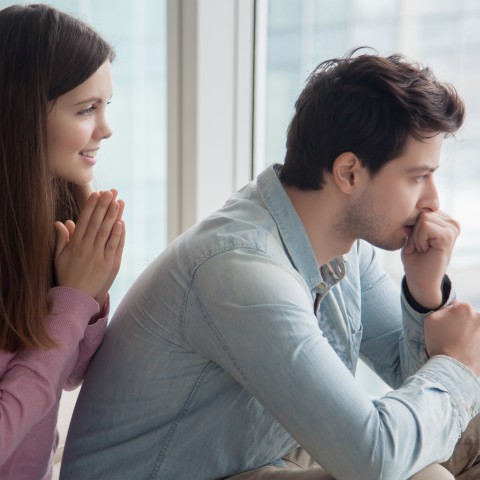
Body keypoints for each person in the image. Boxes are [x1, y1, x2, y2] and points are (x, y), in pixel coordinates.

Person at [61, 48, 480, 480]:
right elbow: (375, 458)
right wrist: (458, 365)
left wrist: (424, 294)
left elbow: (410, 381)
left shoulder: (346, 248)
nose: (433, 202)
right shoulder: (241, 270)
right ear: (349, 173)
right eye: (418, 177)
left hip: (251, 460)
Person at [0, 4, 126, 479]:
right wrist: (72, 301)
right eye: (86, 109)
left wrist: (91, 293)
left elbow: (68, 373)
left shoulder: (45, 222)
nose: (105, 128)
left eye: (105, 106)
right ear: (23, 116)